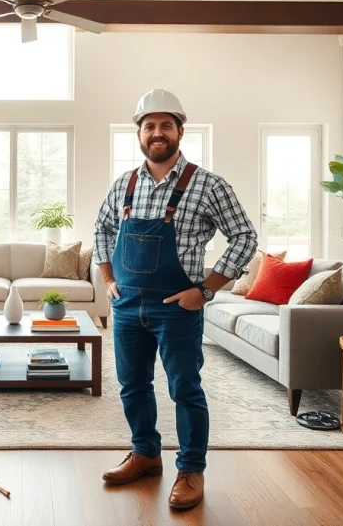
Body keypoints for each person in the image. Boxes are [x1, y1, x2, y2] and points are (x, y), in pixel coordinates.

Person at [94, 88, 257, 511]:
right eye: (149, 126)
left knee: (185, 389)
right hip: (128, 306)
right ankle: (146, 454)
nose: (157, 132)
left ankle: (191, 468)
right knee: (132, 386)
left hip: (178, 309)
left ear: (180, 131)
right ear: (140, 134)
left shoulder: (207, 184)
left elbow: (244, 236)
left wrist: (206, 290)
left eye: (166, 125)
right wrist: (108, 277)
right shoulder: (125, 184)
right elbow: (101, 230)